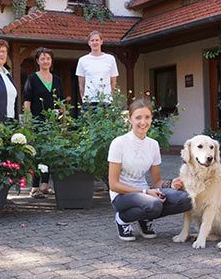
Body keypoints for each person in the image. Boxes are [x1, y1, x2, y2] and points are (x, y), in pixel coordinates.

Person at [108, 98, 192, 241]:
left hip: (145, 193)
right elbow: (114, 185)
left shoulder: (153, 145)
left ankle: (144, 217)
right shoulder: (119, 143)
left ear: (151, 118)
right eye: (138, 117)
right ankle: (122, 219)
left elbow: (157, 181)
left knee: (187, 199)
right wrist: (146, 192)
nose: (143, 122)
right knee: (153, 204)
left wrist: (172, 184)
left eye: (147, 117)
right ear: (130, 119)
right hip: (121, 195)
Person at [23, 47, 64, 199]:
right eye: (42, 58)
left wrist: (63, 120)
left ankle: (45, 185)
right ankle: (34, 187)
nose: (45, 61)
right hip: (37, 122)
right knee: (37, 154)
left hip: (53, 123)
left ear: (51, 61)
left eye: (48, 58)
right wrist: (28, 121)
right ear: (37, 61)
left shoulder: (57, 79)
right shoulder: (32, 78)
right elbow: (27, 101)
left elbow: (61, 102)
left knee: (49, 153)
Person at [76, 31, 118, 105]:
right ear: (89, 43)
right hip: (89, 101)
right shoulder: (82, 60)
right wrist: (84, 99)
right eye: (92, 40)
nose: (94, 42)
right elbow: (81, 85)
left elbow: (113, 82)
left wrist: (110, 97)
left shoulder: (110, 59)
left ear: (101, 41)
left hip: (106, 101)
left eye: (97, 40)